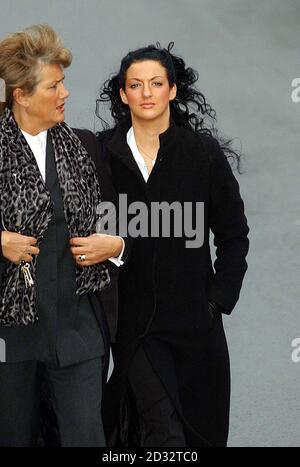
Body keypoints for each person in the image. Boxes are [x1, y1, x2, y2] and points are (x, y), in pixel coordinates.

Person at [96, 43, 250, 447]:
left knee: (202, 430)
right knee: (162, 428)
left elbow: (234, 234)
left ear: (173, 90)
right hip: (135, 326)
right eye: (135, 84)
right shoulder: (101, 155)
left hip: (196, 324)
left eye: (156, 83)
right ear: (123, 94)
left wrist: (218, 298)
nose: (146, 93)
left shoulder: (201, 154)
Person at [0, 24, 123, 447]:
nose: (65, 93)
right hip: (11, 334)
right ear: (21, 95)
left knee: (86, 435)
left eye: (63, 83)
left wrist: (115, 244)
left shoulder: (84, 147)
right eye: (53, 86)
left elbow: (118, 220)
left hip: (77, 328)